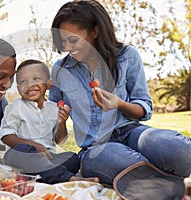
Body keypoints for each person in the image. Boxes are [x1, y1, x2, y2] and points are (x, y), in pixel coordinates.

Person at [50, 0, 190, 189]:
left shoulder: (126, 56)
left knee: (177, 148)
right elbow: (58, 138)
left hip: (132, 133)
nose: (67, 47)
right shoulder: (60, 70)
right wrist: (58, 122)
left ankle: (160, 185)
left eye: (73, 40)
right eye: (63, 41)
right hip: (96, 148)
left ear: (95, 31)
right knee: (123, 164)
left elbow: (144, 108)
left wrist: (119, 104)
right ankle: (177, 186)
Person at [0, 59, 99, 184]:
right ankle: (69, 178)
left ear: (49, 83)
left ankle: (38, 173)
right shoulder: (15, 107)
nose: (30, 85)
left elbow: (59, 141)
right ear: (19, 89)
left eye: (36, 79)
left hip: (49, 158)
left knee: (73, 158)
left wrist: (62, 122)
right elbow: (6, 136)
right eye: (23, 82)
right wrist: (33, 146)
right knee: (22, 151)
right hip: (20, 155)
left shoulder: (53, 108)